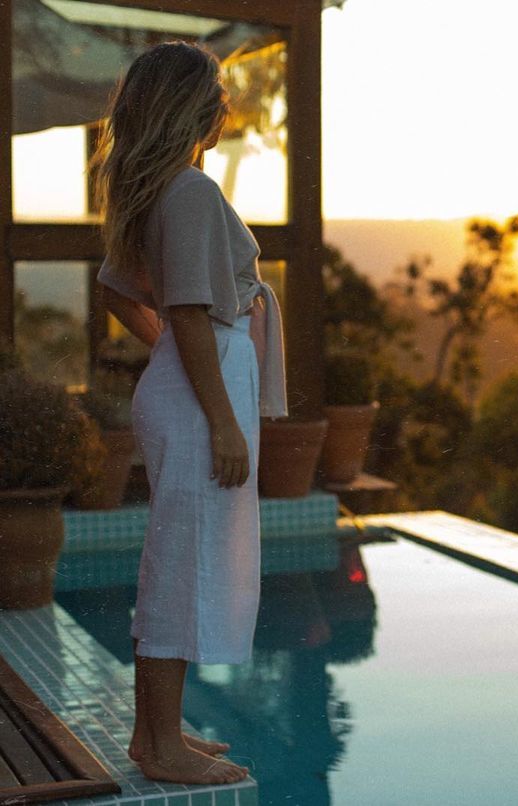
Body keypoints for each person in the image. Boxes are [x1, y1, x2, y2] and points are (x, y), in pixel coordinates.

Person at [90, 41, 288, 786]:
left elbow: (120, 292)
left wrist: (171, 351)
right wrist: (223, 418)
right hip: (203, 392)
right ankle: (162, 746)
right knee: (181, 564)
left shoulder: (160, 191)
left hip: (190, 381)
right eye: (217, 99)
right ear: (192, 109)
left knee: (178, 556)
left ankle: (155, 734)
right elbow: (191, 313)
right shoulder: (191, 191)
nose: (225, 111)